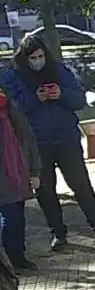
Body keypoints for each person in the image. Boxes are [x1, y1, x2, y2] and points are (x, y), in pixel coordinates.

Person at [1, 35, 95, 252]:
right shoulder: (12, 77)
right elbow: (12, 109)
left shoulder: (59, 71)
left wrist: (60, 94)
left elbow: (79, 100)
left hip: (66, 138)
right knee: (45, 191)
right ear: (24, 59)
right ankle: (58, 233)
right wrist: (36, 98)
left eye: (41, 56)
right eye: (33, 58)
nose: (38, 61)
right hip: (37, 142)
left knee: (81, 185)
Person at [0, 84, 40, 273]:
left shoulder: (12, 114)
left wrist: (34, 172)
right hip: (5, 179)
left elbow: (29, 141)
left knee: (17, 218)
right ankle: (9, 262)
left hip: (16, 175)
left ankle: (17, 258)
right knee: (9, 219)